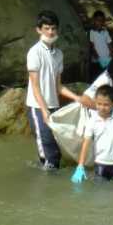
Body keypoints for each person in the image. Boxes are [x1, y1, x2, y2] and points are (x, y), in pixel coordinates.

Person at [26, 10, 83, 170]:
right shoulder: (34, 53)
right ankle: (44, 185)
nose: (50, 32)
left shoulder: (58, 54)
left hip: (53, 107)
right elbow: (35, 86)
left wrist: (78, 98)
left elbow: (58, 86)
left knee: (56, 152)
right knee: (49, 156)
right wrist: (44, 111)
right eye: (46, 28)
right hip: (37, 108)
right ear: (39, 29)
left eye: (53, 28)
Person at [88, 10, 113, 79]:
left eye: (102, 20)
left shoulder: (105, 32)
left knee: (106, 77)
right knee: (97, 77)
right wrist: (96, 55)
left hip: (106, 58)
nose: (100, 22)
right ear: (94, 20)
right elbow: (92, 45)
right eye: (98, 20)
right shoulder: (91, 32)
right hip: (97, 60)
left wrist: (111, 53)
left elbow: (109, 43)